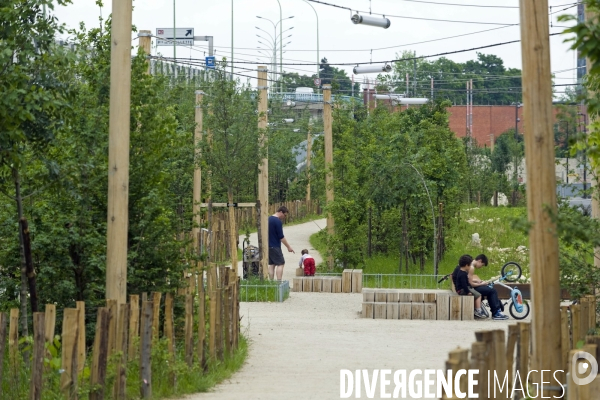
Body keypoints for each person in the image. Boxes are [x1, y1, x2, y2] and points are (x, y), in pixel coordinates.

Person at [468, 253, 508, 320]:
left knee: (488, 289)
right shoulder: (471, 267)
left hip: (467, 286)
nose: (481, 267)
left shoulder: (469, 264)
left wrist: (478, 281)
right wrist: (482, 284)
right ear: (479, 261)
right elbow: (470, 284)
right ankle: (496, 313)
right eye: (482, 265)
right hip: (469, 288)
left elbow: (468, 279)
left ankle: (496, 311)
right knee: (492, 291)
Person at [452, 255, 486, 319]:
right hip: (461, 290)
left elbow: (467, 283)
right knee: (478, 295)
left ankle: (476, 309)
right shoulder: (463, 274)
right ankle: (478, 310)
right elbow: (464, 284)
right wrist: (468, 292)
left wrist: (471, 286)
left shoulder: (461, 272)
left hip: (462, 289)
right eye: (470, 265)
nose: (471, 266)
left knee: (475, 292)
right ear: (466, 265)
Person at [268, 206, 295, 280]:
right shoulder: (277, 221)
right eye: (285, 215)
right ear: (280, 212)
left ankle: (271, 282)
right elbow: (281, 237)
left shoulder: (268, 219)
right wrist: (288, 247)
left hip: (268, 246)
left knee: (271, 264)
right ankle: (279, 282)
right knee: (280, 263)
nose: (284, 217)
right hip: (275, 246)